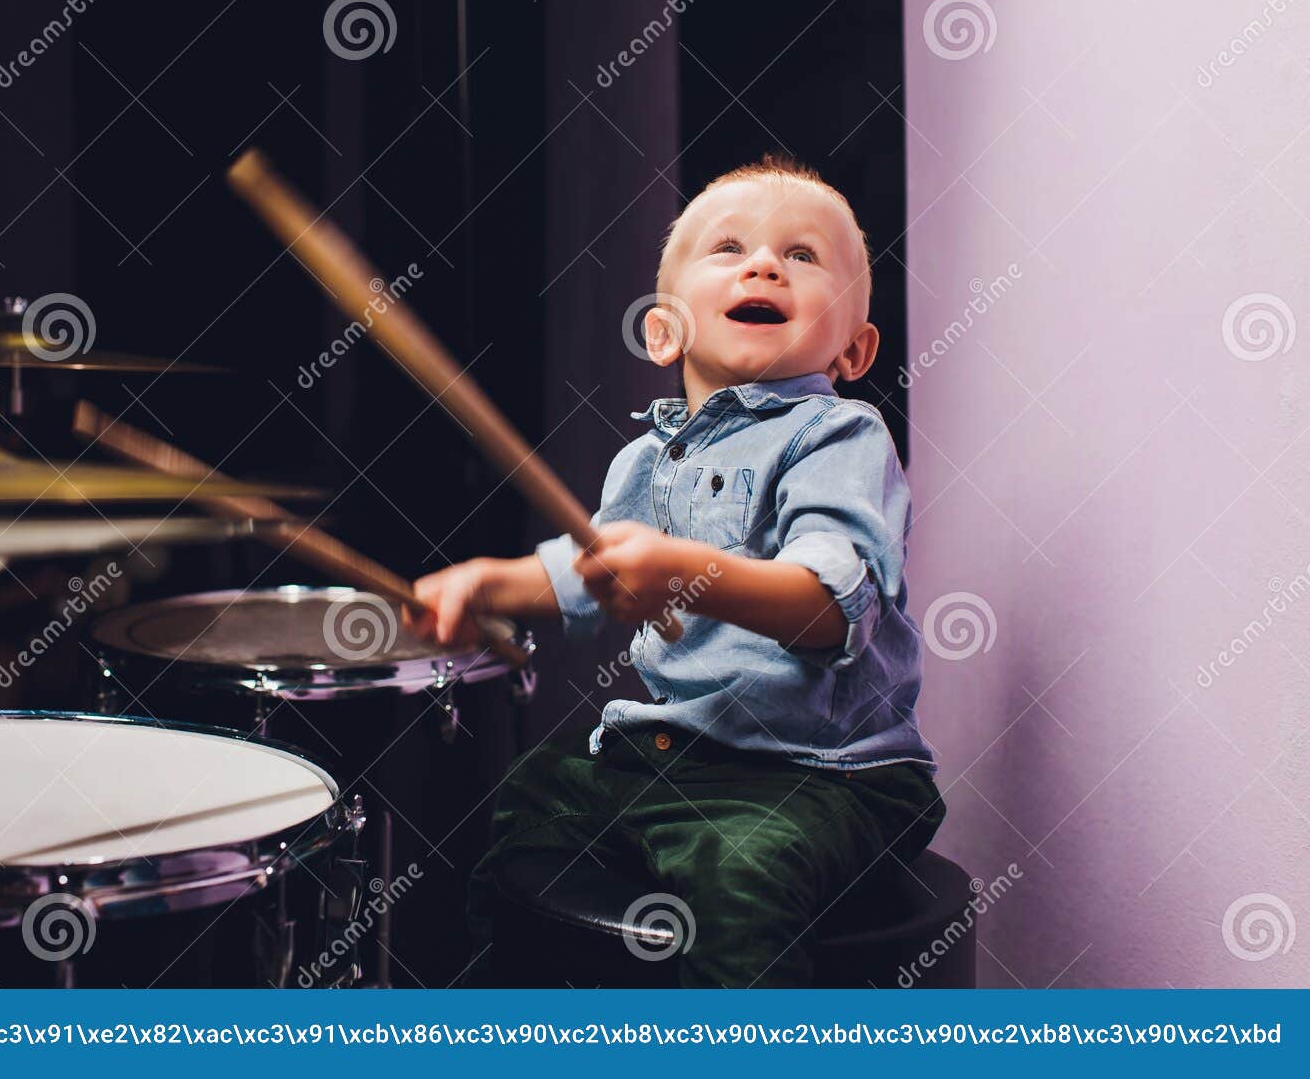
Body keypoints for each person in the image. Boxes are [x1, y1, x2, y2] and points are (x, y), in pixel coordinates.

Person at [404, 155, 944, 986]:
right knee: (527, 802)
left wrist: (692, 570)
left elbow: (835, 606)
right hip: (678, 753)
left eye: (802, 256)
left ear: (855, 348)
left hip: (827, 774)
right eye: (730, 248)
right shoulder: (646, 459)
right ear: (664, 330)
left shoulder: (841, 437)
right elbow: (586, 570)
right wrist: (485, 584)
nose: (765, 264)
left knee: (741, 873)